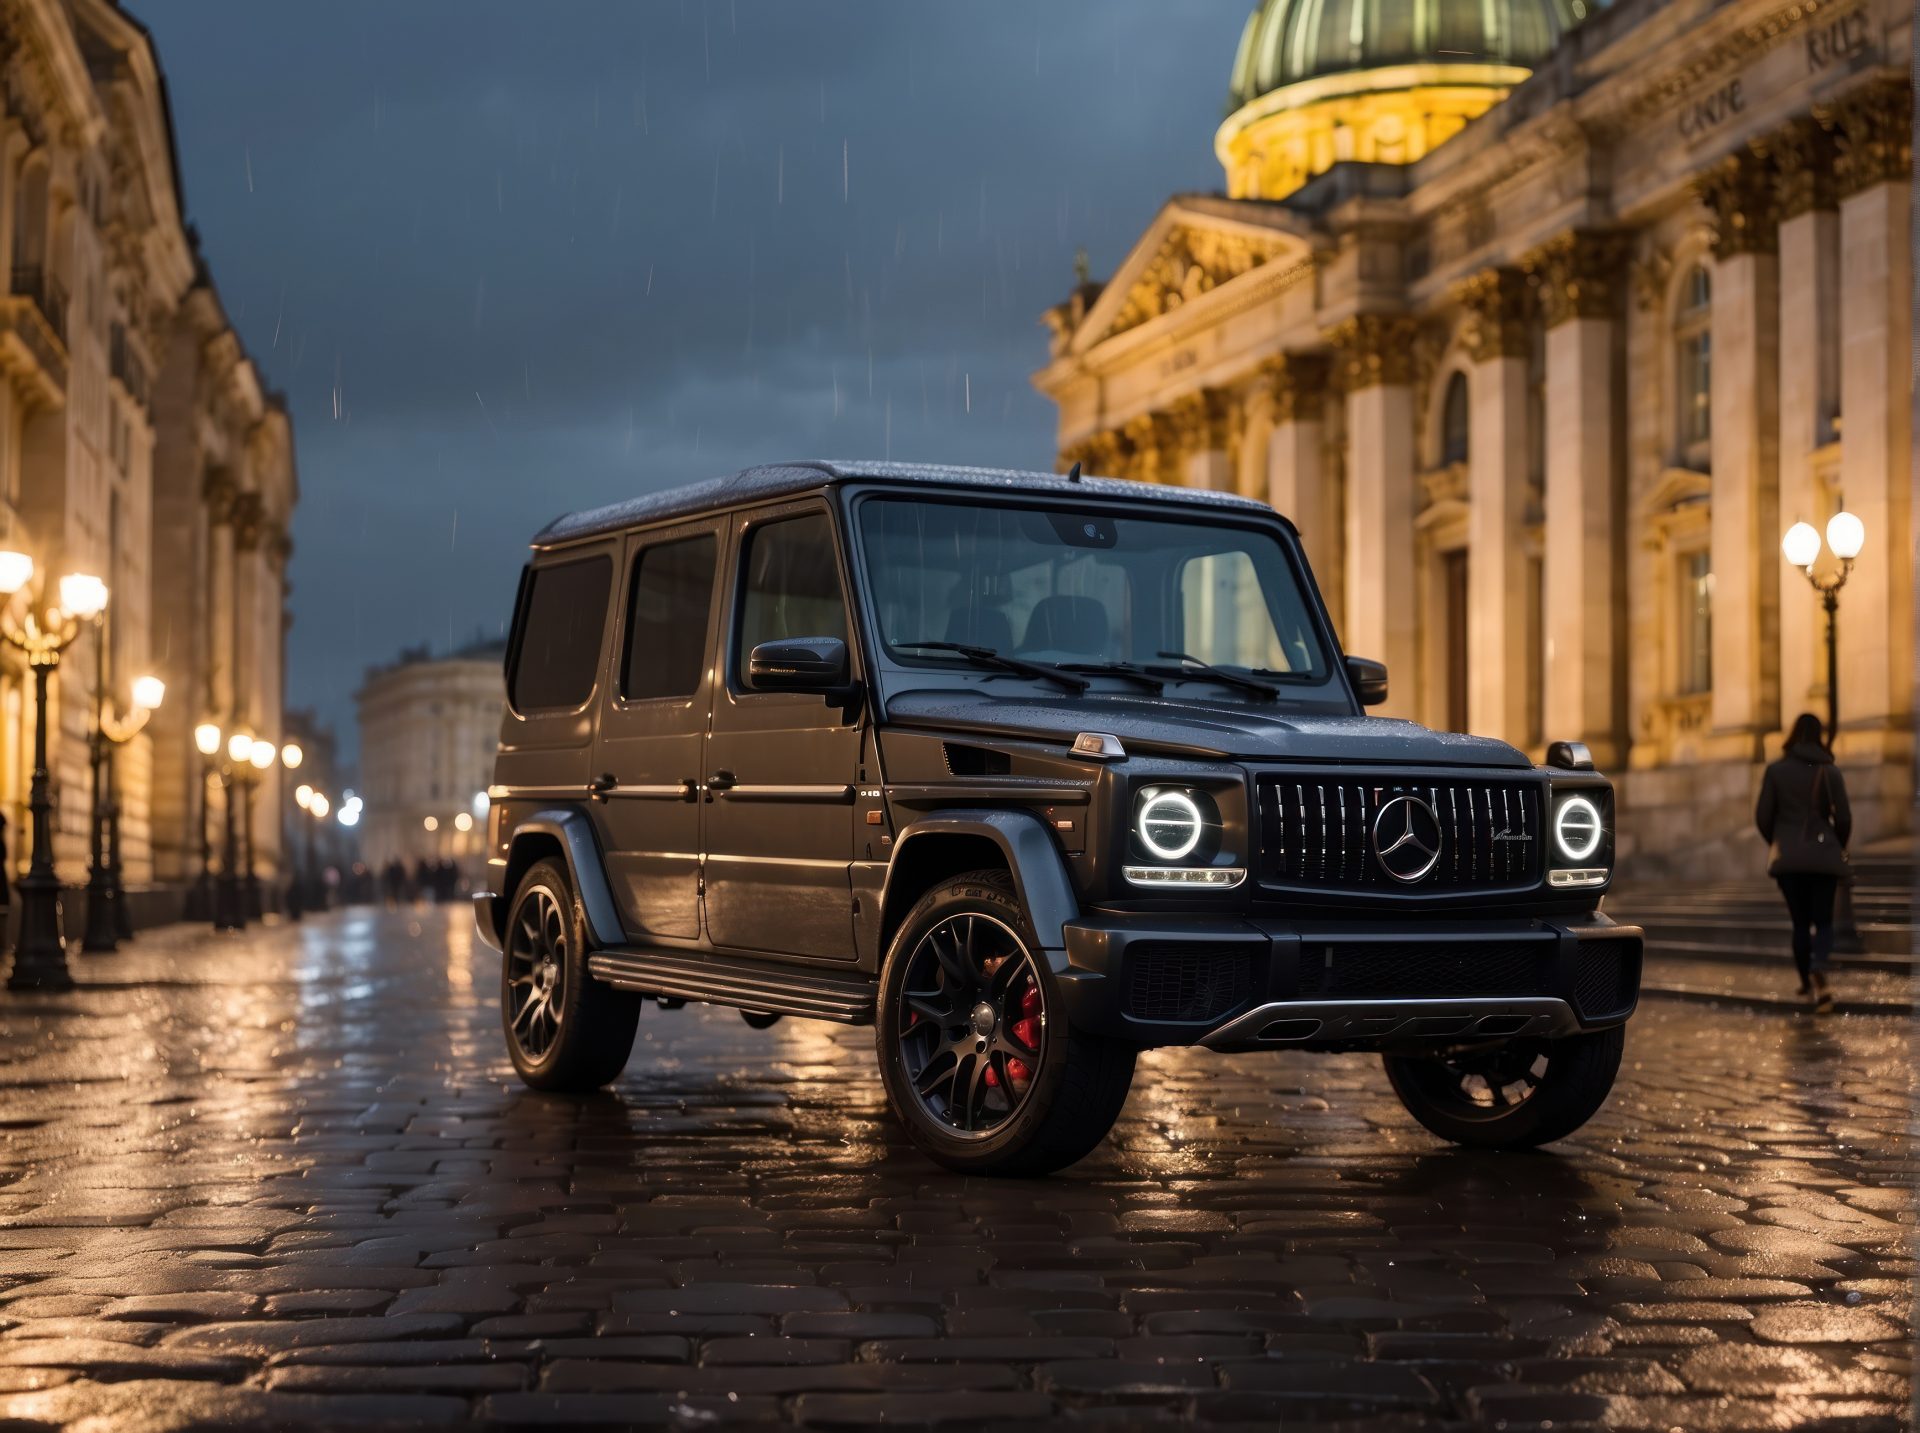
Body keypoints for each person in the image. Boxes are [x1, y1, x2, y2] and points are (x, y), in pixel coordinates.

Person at [1755, 712, 1852, 1011]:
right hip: (1823, 858)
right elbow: (1844, 818)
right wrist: (1835, 844)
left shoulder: (1776, 770)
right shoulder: (1829, 771)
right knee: (1823, 921)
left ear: (1793, 734)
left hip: (1789, 861)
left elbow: (1762, 817)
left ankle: (1806, 982)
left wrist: (1780, 841)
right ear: (1819, 735)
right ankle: (1818, 964)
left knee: (1799, 923)